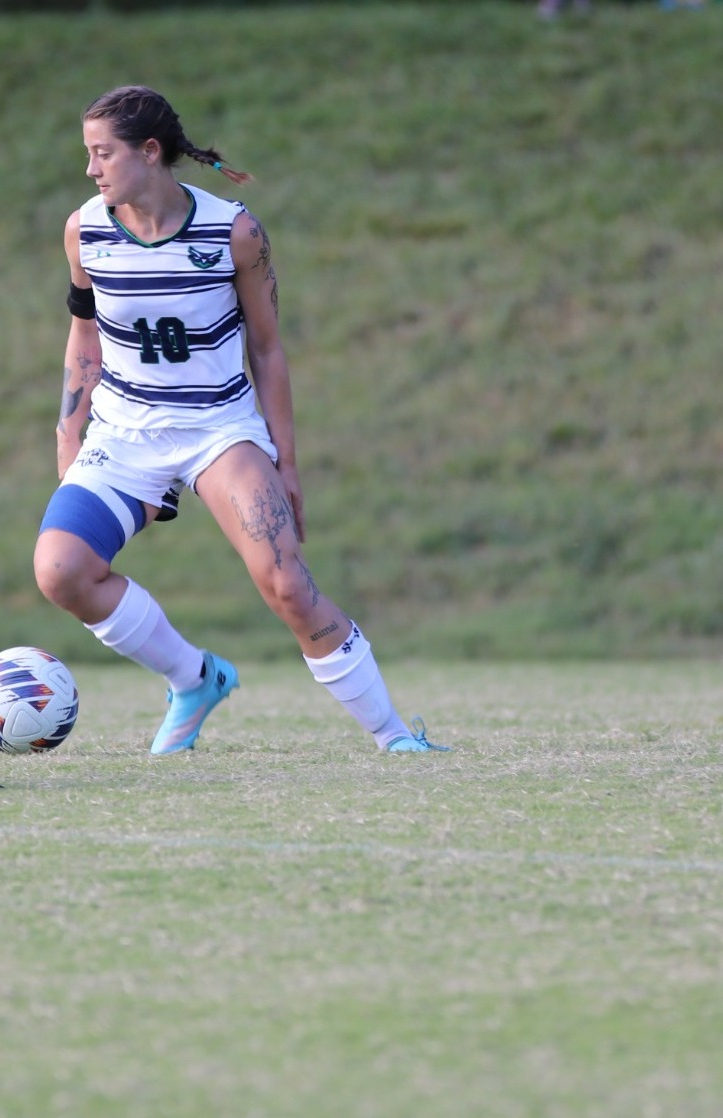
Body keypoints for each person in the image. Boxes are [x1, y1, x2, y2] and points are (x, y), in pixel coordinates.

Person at [35, 86, 447, 756]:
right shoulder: (85, 231)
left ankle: (398, 740)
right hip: (124, 432)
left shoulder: (234, 232)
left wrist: (286, 462)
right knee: (60, 570)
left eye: (101, 153)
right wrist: (67, 435)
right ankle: (194, 680)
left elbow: (268, 348)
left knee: (287, 583)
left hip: (218, 429)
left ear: (149, 152)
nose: (90, 169)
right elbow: (84, 337)